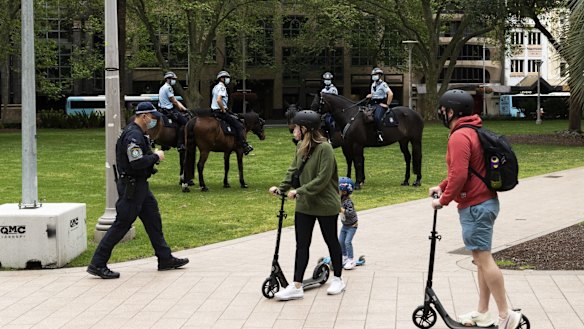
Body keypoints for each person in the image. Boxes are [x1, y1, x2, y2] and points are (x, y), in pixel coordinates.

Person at [429, 89, 522, 329]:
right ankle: (483, 312)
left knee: (484, 259)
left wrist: (443, 200)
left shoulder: (459, 137)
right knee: (480, 260)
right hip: (483, 203)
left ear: (451, 111)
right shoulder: (472, 131)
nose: (441, 113)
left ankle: (506, 314)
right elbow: (464, 171)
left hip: (476, 206)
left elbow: (459, 175)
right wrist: (441, 186)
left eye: (443, 109)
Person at [87, 102, 189, 279]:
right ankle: (97, 263)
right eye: (152, 117)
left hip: (139, 186)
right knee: (122, 225)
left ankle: (165, 258)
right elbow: (136, 162)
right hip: (132, 187)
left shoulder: (135, 132)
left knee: (153, 219)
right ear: (144, 116)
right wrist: (156, 156)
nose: (153, 120)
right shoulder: (133, 135)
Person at [269, 109, 345, 300]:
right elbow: (293, 170)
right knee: (301, 244)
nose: (293, 130)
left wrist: (299, 191)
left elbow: (322, 179)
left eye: (296, 127)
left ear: (305, 129)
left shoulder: (325, 148)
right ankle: (296, 285)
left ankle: (338, 279)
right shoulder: (301, 147)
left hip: (325, 204)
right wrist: (281, 187)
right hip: (305, 205)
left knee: (331, 241)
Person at [211, 70, 254, 155]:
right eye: (227, 78)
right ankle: (244, 145)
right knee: (240, 126)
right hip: (220, 111)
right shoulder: (222, 87)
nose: (228, 79)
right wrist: (223, 110)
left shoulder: (215, 87)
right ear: (222, 79)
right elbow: (219, 100)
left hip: (214, 111)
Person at [158, 71, 189, 151]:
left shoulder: (162, 87)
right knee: (185, 122)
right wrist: (182, 109)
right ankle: (180, 144)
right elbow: (174, 101)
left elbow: (175, 100)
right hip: (169, 110)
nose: (174, 81)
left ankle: (164, 144)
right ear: (168, 79)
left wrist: (183, 108)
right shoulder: (168, 87)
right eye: (173, 79)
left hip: (162, 110)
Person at [366, 67, 394, 143]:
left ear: (379, 75)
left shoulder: (383, 84)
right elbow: (374, 94)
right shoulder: (373, 84)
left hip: (380, 104)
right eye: (373, 75)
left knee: (377, 117)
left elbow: (390, 94)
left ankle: (380, 134)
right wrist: (370, 95)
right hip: (372, 104)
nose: (373, 76)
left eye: (375, 75)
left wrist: (387, 104)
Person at [338, 176, 359, 270]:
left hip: (352, 226)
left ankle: (350, 260)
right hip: (345, 225)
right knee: (340, 241)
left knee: (347, 242)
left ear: (345, 191)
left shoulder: (348, 202)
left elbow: (351, 213)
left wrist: (342, 210)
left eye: (339, 190)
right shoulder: (340, 200)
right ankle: (344, 257)